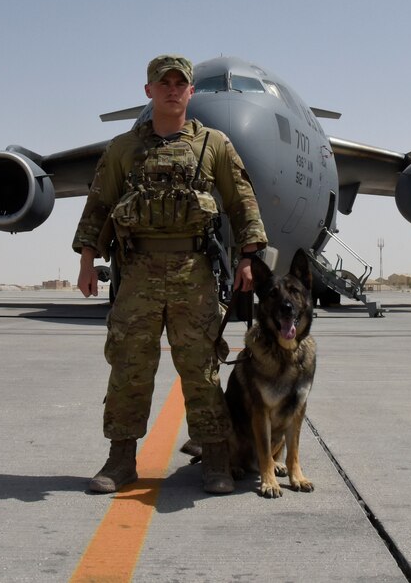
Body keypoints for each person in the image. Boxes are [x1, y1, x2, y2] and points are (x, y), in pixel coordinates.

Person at [73, 54, 267, 494]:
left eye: (181, 83)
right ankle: (121, 460)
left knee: (201, 369)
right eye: (164, 83)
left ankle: (216, 459)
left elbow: (241, 201)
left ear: (191, 91)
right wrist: (87, 260)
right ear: (148, 91)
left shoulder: (213, 144)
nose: (172, 89)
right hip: (137, 272)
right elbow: (98, 206)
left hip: (193, 272)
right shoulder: (124, 148)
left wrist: (248, 257)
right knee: (129, 366)